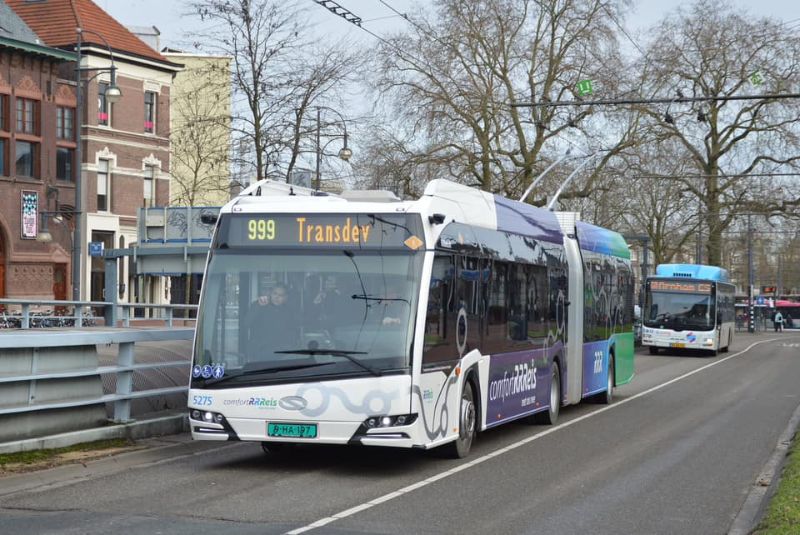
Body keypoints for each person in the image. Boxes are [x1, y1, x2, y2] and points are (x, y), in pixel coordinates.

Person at [247, 283, 299, 355]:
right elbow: (247, 323)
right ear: (270, 294)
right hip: (259, 351)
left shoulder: (288, 311)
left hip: (280, 353)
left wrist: (290, 345)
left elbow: (294, 329)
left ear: (285, 298)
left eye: (281, 295)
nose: (277, 297)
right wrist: (258, 306)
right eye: (275, 294)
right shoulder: (259, 305)